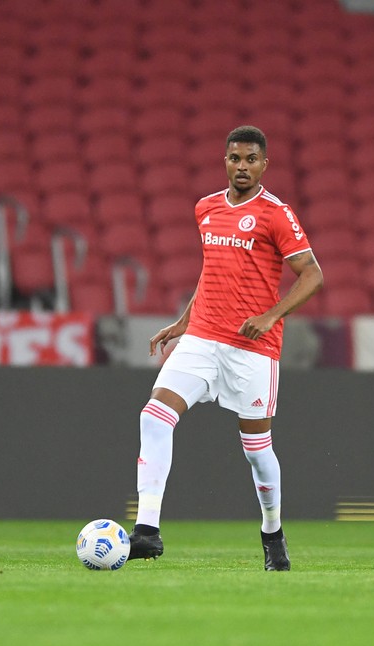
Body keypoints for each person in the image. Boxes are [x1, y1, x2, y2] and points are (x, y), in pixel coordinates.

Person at [128, 125, 324, 571]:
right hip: (202, 338)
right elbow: (212, 270)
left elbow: (312, 274)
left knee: (257, 451)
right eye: (235, 158)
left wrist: (273, 315)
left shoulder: (276, 214)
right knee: (154, 416)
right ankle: (147, 530)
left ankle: (272, 531)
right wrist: (183, 320)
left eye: (251, 159)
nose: (242, 166)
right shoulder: (206, 208)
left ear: (264, 165)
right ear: (225, 161)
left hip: (252, 348)